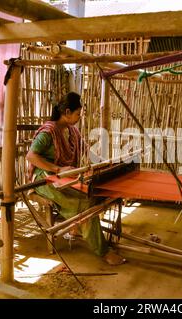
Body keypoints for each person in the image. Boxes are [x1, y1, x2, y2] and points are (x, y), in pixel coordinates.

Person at [26, 92, 126, 266]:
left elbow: (86, 149)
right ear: (66, 112)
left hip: (63, 177)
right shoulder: (48, 132)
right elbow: (31, 156)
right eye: (78, 114)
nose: (80, 117)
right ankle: (103, 251)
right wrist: (57, 169)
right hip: (44, 180)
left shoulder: (72, 131)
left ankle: (77, 229)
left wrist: (103, 163)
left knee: (92, 195)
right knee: (84, 206)